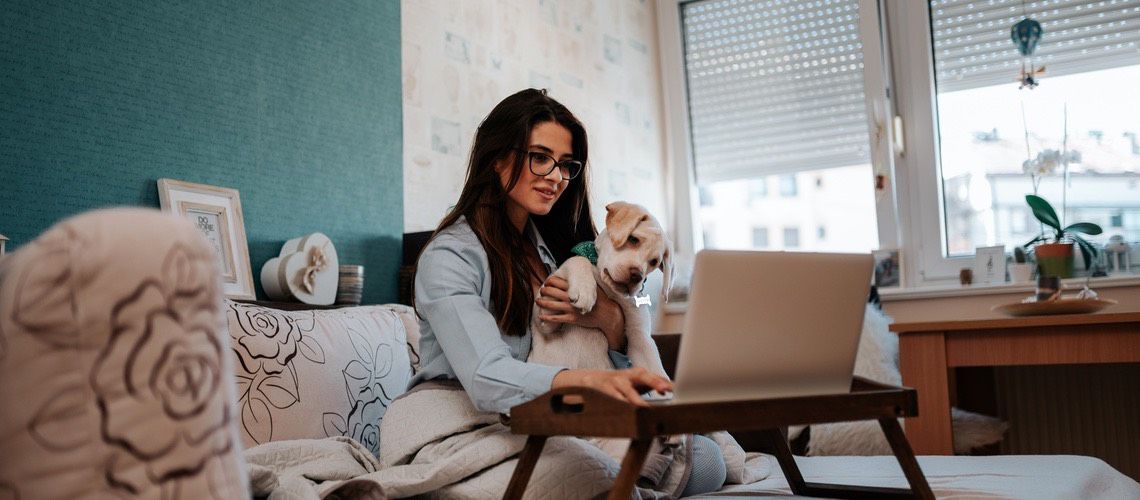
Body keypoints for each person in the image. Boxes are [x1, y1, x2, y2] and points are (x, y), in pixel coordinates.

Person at [391, 88, 726, 496]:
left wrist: (608, 319)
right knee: (599, 475)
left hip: (533, 420)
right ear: (497, 158)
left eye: (565, 165)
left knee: (709, 458)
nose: (555, 176)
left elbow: (634, 305)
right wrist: (589, 382)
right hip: (454, 422)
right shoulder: (450, 257)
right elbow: (484, 376)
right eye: (540, 157)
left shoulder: (553, 249)